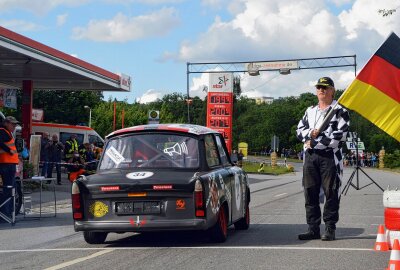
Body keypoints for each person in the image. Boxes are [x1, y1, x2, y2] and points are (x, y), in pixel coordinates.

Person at [296, 77, 350, 241]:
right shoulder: (309, 110)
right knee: (310, 192)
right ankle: (313, 228)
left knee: (331, 192)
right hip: (310, 157)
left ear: (333, 90)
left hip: (330, 157)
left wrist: (312, 140)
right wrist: (311, 134)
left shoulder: (340, 111)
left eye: (326, 87)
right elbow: (299, 131)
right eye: (319, 87)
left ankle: (329, 228)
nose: (322, 90)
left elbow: (337, 139)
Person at [0, 116, 20, 221]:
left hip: (8, 164)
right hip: (6, 164)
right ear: (6, 123)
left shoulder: (6, 132)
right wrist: (9, 150)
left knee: (10, 189)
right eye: (13, 124)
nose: (14, 126)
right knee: (9, 190)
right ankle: (5, 214)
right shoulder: (2, 131)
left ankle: (7, 213)